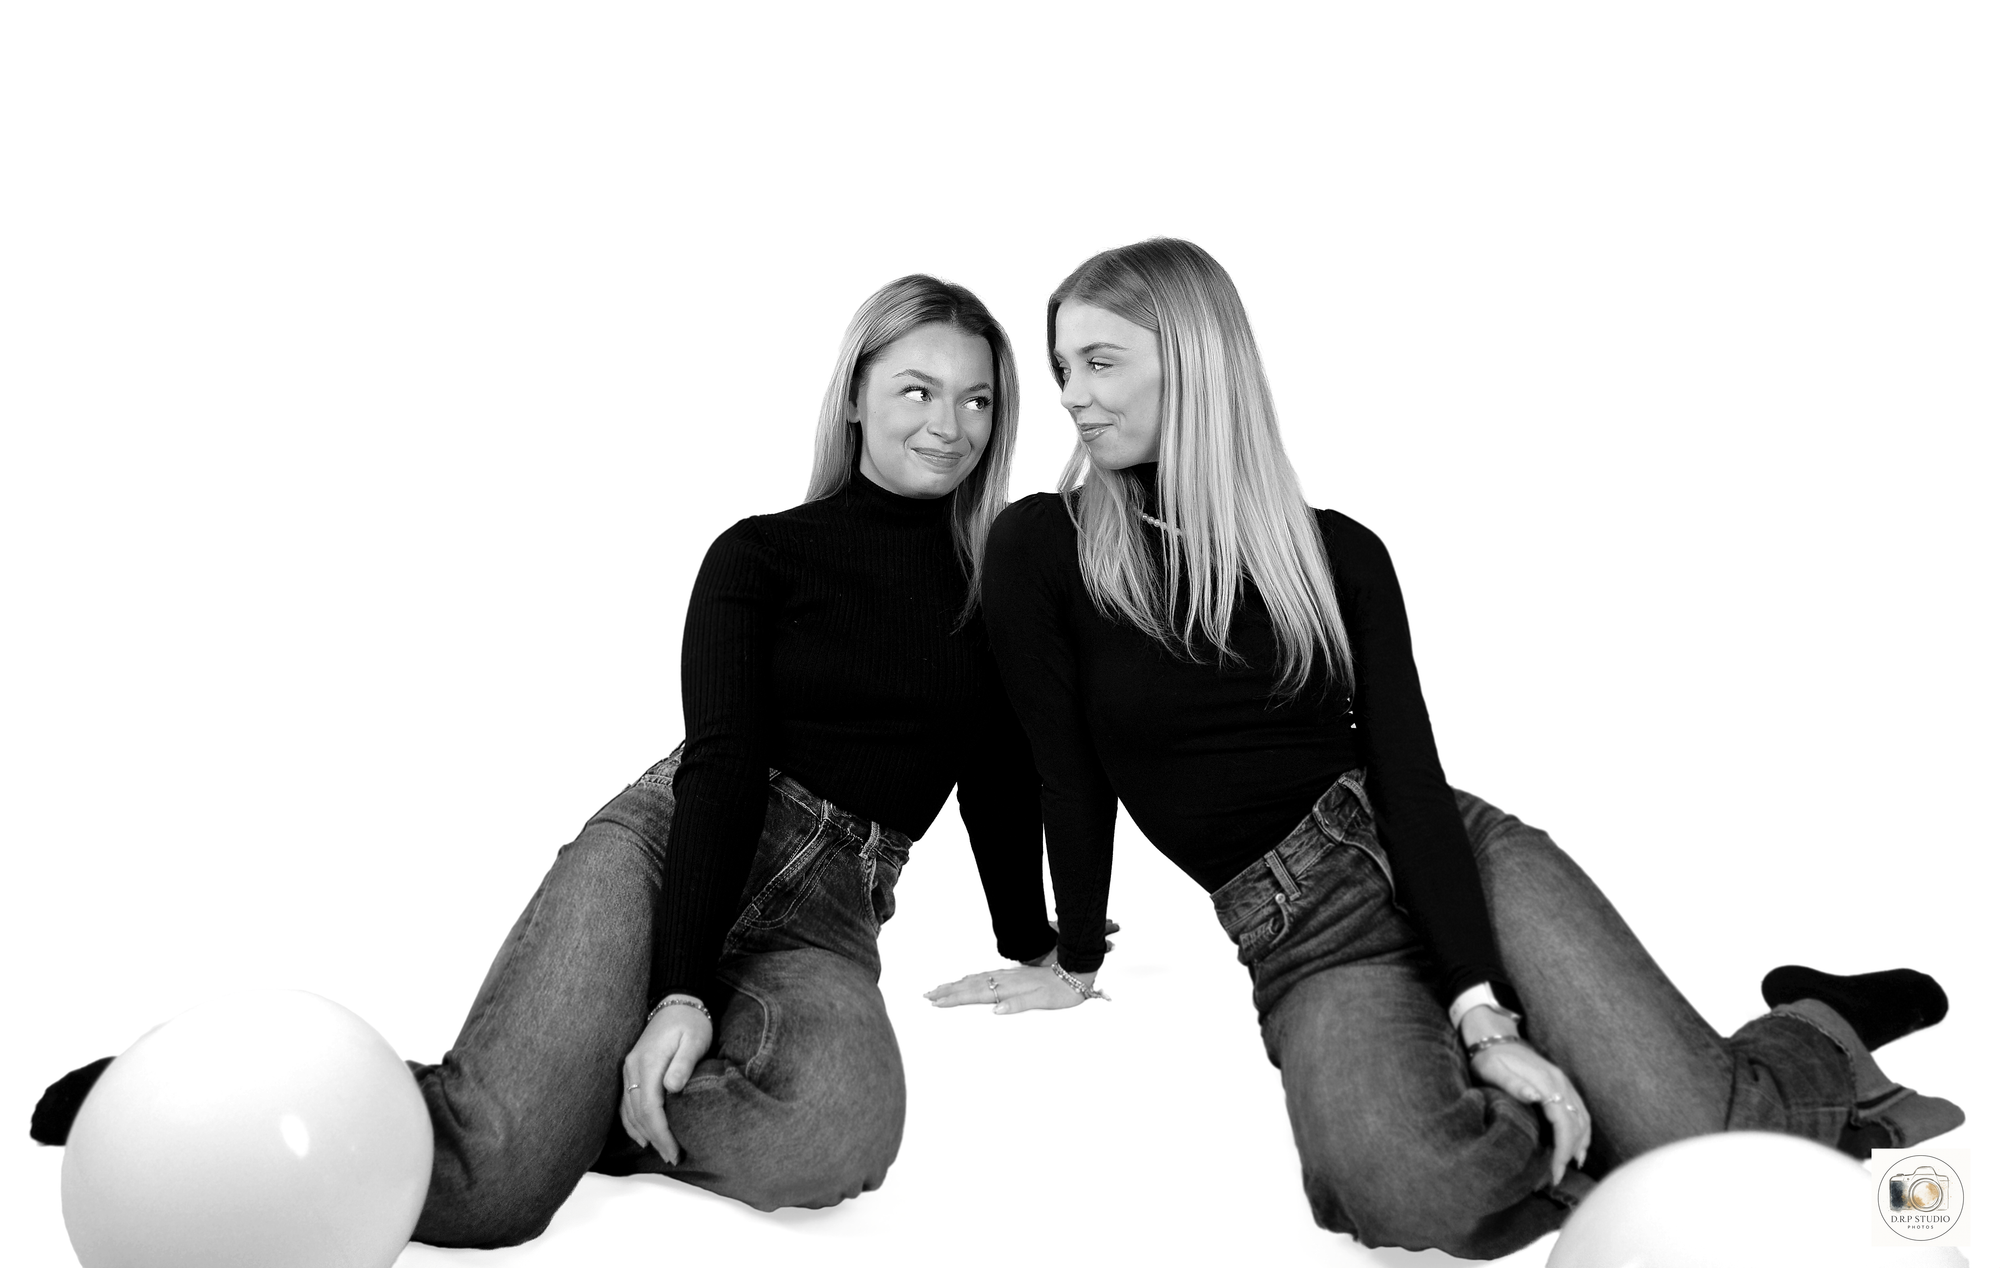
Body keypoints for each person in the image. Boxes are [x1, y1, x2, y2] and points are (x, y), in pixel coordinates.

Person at [927, 239, 1961, 1259]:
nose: (1072, 394)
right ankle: (1580, 1106)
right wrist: (1073, 957)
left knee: (1704, 1146)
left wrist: (1481, 1011)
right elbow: (1062, 773)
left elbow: (1408, 779)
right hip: (1301, 928)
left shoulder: (1332, 551)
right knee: (1408, 1191)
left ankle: (1819, 1029)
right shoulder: (1043, 544)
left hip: (1456, 860)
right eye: (1062, 366)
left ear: (1194, 364)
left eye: (1100, 361)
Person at [33, 274, 1064, 1248]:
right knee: (493, 1188)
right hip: (671, 848)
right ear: (854, 399)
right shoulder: (760, 554)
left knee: (840, 1128)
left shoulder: (996, 586)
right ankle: (274, 1095)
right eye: (917, 389)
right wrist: (679, 994)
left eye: (977, 399)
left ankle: (559, 1103)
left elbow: (996, 781)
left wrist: (1039, 947)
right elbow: (724, 762)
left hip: (826, 915)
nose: (950, 423)